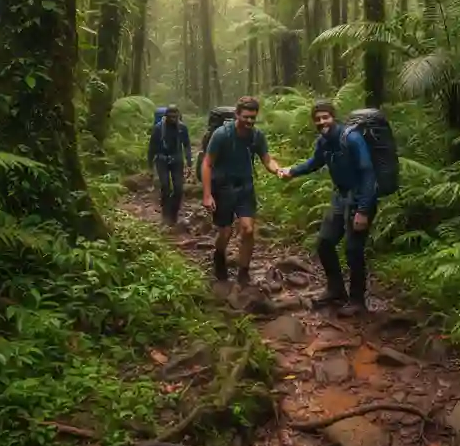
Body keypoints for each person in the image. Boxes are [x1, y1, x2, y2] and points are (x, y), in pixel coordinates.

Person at [278, 100, 376, 316]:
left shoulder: (351, 138)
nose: (322, 122)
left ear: (333, 117)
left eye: (326, 117)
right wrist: (291, 171)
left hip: (359, 198)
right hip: (340, 197)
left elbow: (368, 173)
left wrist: (363, 210)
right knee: (324, 242)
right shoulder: (323, 142)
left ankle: (357, 301)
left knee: (353, 249)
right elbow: (314, 163)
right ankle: (335, 289)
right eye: (318, 119)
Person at [201, 95, 283, 286]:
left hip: (245, 186)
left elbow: (267, 159)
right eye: (246, 117)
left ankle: (243, 272)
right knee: (225, 232)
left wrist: (277, 170)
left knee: (248, 230)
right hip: (222, 187)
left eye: (253, 117)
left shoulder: (256, 136)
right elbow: (207, 163)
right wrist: (207, 195)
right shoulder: (222, 134)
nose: (249, 121)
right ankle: (219, 256)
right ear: (237, 114)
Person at [147, 104, 192, 225]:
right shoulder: (158, 128)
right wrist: (150, 166)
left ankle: (174, 214)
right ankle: (166, 214)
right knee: (165, 186)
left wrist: (189, 163)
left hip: (176, 159)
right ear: (166, 116)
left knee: (178, 188)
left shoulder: (182, 128)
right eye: (171, 116)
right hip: (162, 159)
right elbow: (152, 147)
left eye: (175, 117)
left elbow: (187, 145)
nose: (173, 119)